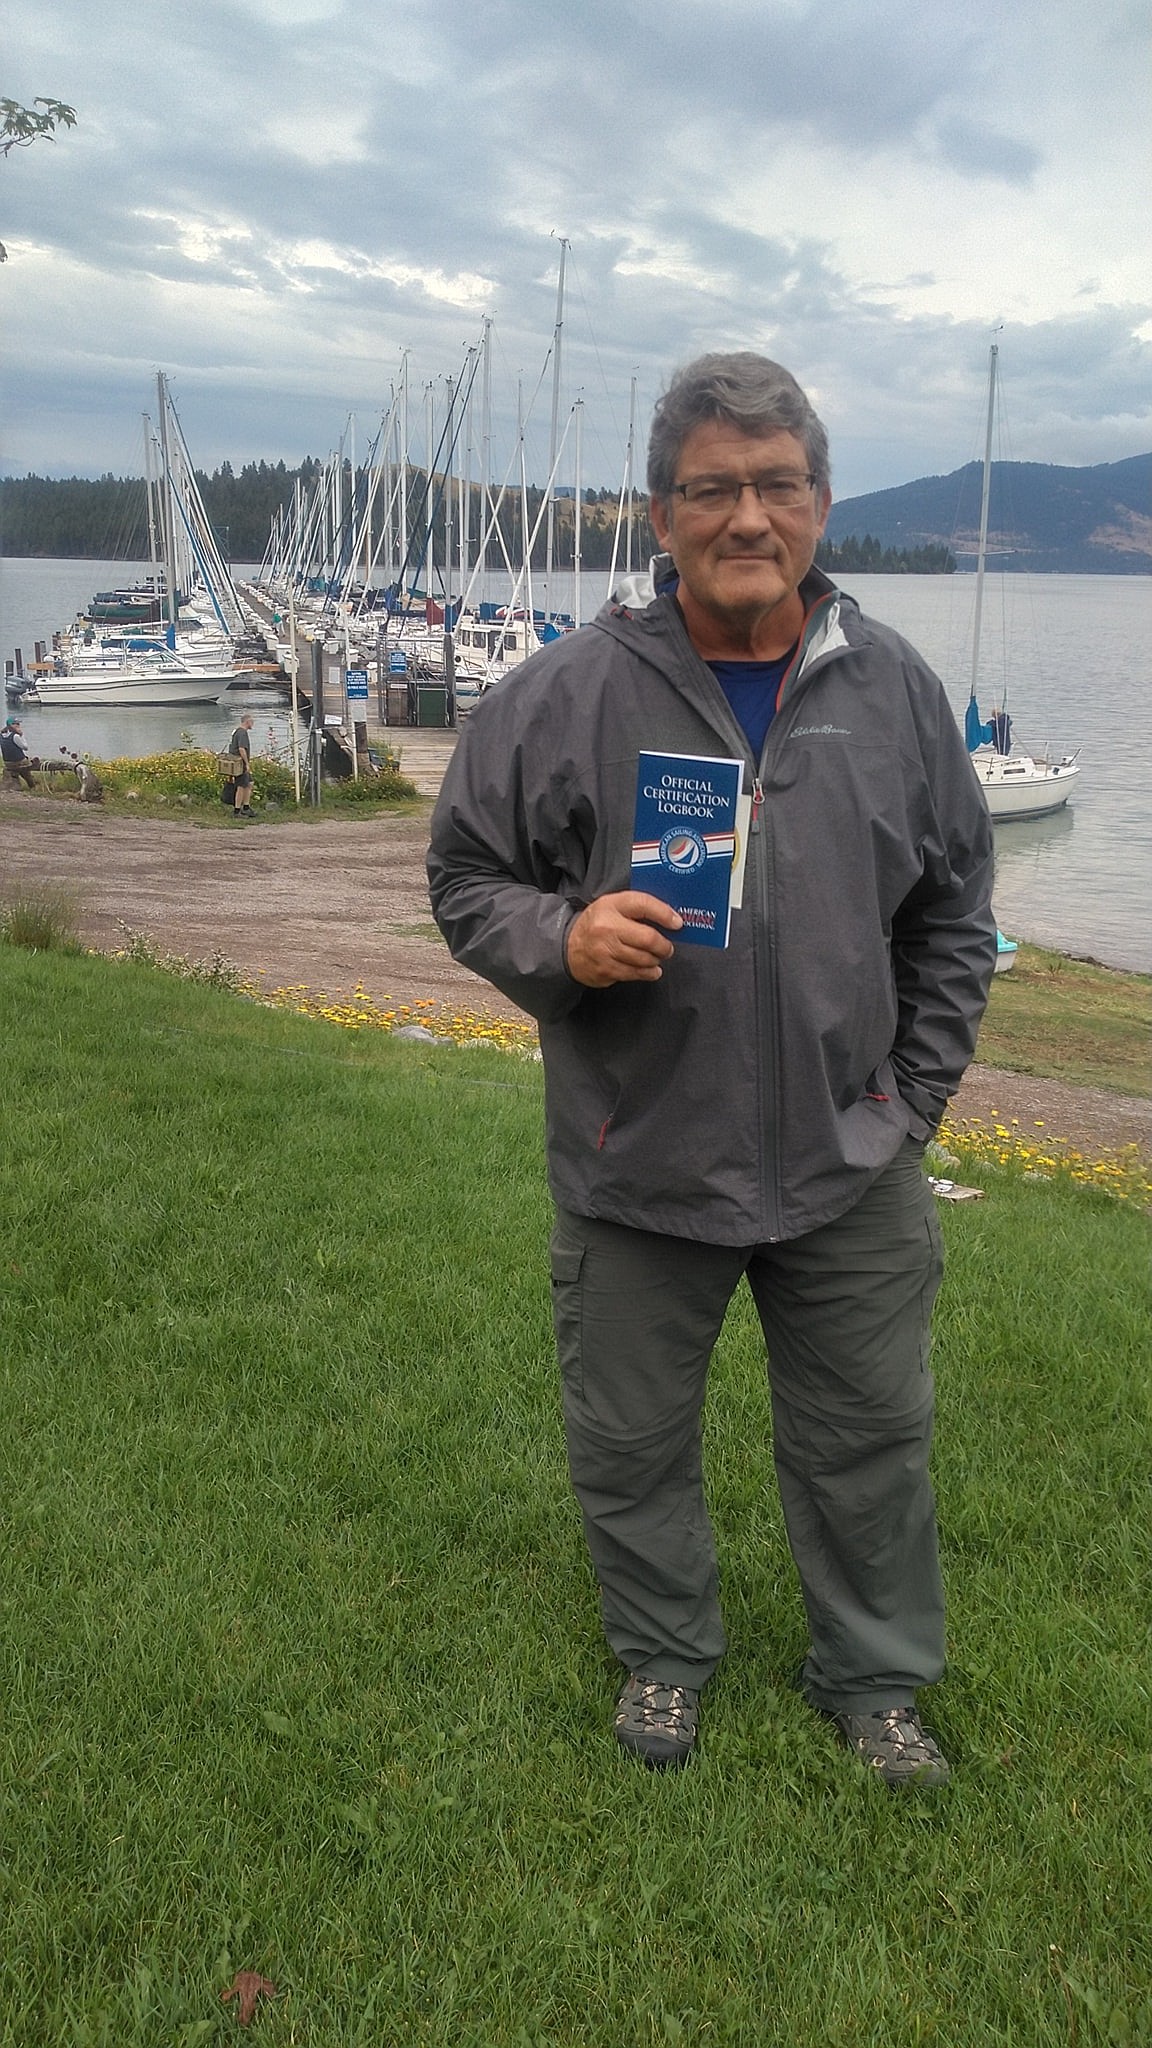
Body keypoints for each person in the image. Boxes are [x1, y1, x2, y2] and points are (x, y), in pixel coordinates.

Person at [427, 353, 996, 1787]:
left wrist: (909, 1105)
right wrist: (563, 935)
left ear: (820, 504)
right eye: (713, 489)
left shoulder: (900, 694)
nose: (748, 516)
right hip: (640, 1157)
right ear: (660, 513)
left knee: (870, 1441)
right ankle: (664, 1661)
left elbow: (955, 917)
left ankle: (874, 1681)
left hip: (846, 1167)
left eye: (777, 485)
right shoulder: (559, 695)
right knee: (630, 1442)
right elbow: (464, 877)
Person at [1, 718, 37, 791]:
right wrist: (22, 735)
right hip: (18, 761)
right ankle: (32, 786)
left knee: (21, 764)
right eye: (16, 724)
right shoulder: (15, 736)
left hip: (7, 762)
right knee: (26, 769)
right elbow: (25, 747)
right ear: (11, 725)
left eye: (18, 724)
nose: (18, 725)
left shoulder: (1, 735)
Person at [229, 714, 255, 817]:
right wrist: (247, 764)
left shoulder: (236, 731)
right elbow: (241, 749)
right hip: (240, 764)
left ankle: (246, 807)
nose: (253, 724)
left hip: (238, 762)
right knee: (241, 786)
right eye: (252, 721)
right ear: (247, 722)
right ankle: (237, 810)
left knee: (249, 783)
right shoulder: (242, 733)